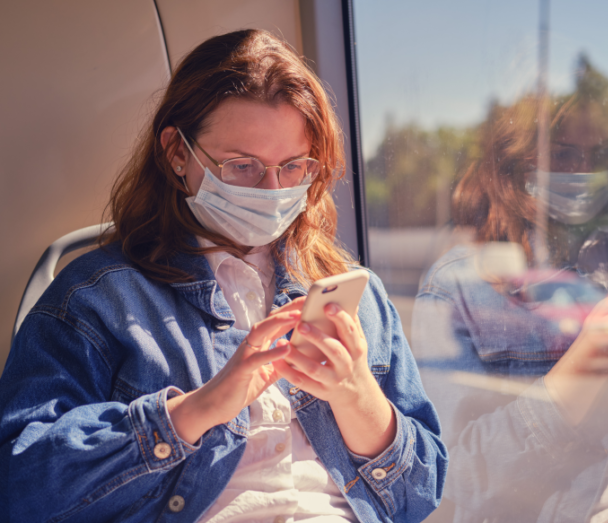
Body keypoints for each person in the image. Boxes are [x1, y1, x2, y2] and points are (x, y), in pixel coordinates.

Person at [0, 30, 447, 523]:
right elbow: (19, 489)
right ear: (177, 153)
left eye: (293, 166)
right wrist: (195, 412)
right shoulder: (98, 300)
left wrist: (356, 394)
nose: (273, 190)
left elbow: (421, 495)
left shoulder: (357, 296)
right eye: (242, 166)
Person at [412, 76, 608, 522]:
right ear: (515, 164)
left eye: (599, 157)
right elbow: (454, 479)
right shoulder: (459, 283)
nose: (583, 173)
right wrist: (590, 357)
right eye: (563, 155)